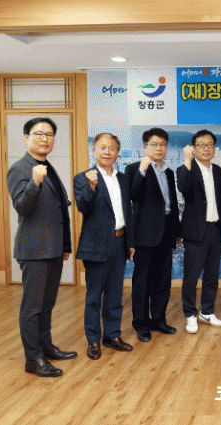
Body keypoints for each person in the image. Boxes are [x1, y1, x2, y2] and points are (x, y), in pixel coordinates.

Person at [7, 117, 76, 377]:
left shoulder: (47, 166)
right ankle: (33, 359)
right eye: (39, 134)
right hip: (34, 249)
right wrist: (34, 182)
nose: (45, 138)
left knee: (48, 303)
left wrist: (65, 245)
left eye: (49, 134)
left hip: (53, 248)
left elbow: (60, 210)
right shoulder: (20, 169)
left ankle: (46, 347)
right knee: (32, 307)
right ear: (26, 138)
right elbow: (22, 207)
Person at [75, 133, 134, 360]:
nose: (107, 152)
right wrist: (91, 187)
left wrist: (130, 242)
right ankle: (93, 340)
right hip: (96, 245)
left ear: (117, 152)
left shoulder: (123, 179)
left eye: (112, 148)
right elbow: (83, 208)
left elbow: (128, 212)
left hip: (120, 241)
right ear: (94, 151)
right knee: (94, 297)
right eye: (102, 147)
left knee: (115, 294)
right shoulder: (83, 178)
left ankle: (112, 336)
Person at [125, 127, 181, 342]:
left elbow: (172, 204)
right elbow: (133, 195)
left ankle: (159, 320)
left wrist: (177, 231)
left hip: (166, 232)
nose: (159, 148)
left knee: (163, 281)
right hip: (144, 235)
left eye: (163, 144)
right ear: (145, 147)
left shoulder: (168, 172)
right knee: (142, 282)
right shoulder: (133, 169)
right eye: (154, 144)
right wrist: (142, 170)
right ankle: (141, 324)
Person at [178, 129, 221, 333]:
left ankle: (207, 311)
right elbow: (183, 188)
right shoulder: (186, 169)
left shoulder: (217, 171)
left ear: (214, 148)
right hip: (195, 232)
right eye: (201, 145)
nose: (206, 148)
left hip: (215, 230)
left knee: (212, 275)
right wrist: (187, 159)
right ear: (194, 148)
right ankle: (190, 314)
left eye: (210, 144)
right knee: (191, 277)